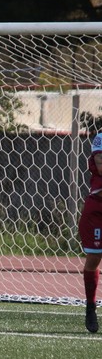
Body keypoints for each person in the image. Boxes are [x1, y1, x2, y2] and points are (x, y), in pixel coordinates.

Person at [77, 133, 102, 333]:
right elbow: (100, 165)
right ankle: (91, 307)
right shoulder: (100, 140)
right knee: (93, 258)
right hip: (97, 211)